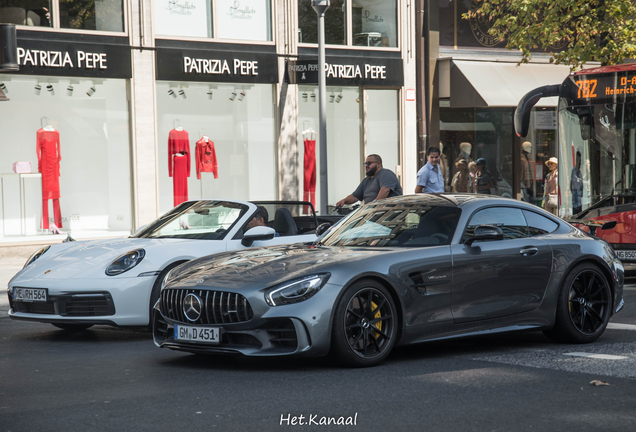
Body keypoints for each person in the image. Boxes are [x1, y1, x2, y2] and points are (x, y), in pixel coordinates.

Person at [336, 154, 403, 206]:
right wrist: (344, 201)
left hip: (387, 215)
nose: (366, 166)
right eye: (365, 164)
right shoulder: (366, 180)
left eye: (369, 163)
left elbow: (385, 190)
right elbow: (354, 196)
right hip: (371, 215)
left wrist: (373, 204)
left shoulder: (385, 173)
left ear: (378, 164)